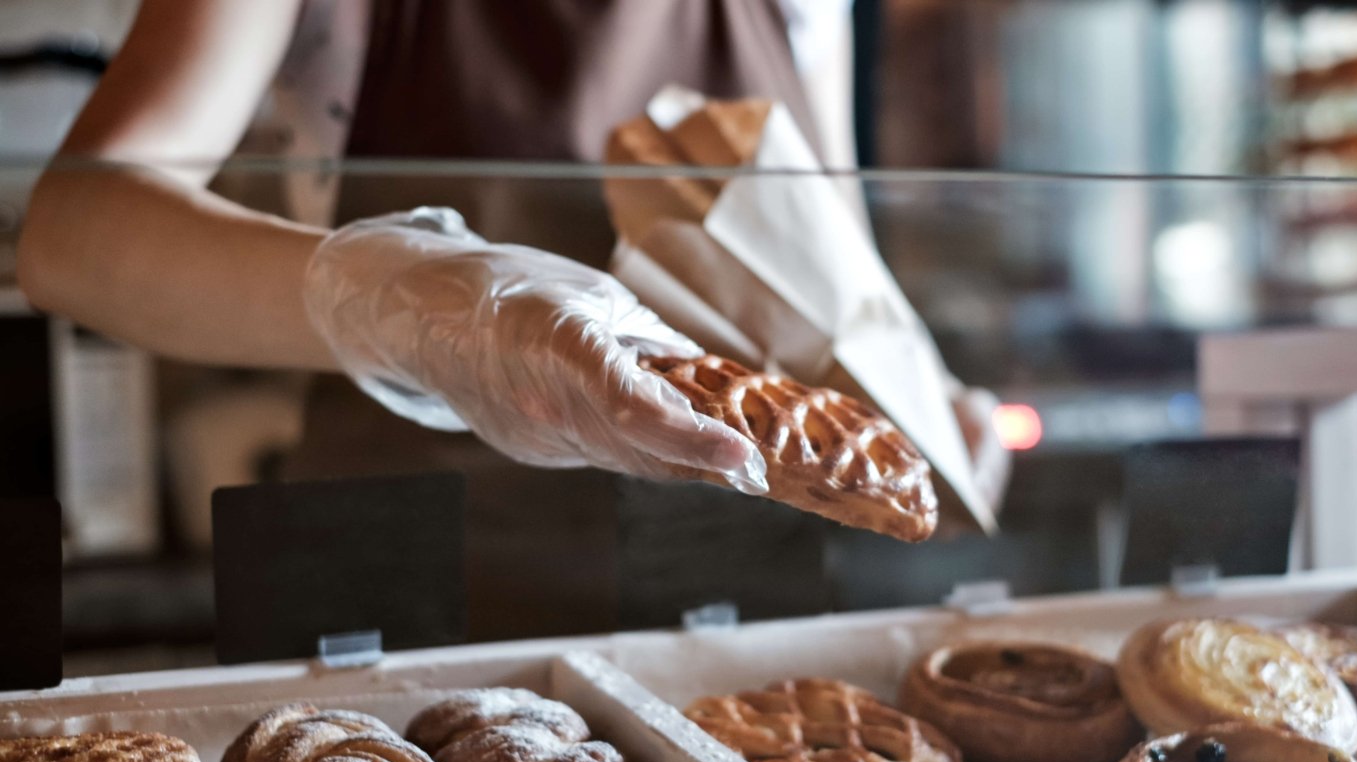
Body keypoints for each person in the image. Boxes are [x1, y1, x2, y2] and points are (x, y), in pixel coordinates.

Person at [18, 0, 1006, 637]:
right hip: (398, 604)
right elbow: (75, 232)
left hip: (718, 624)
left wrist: (922, 393)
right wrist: (425, 306)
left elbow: (832, 263)